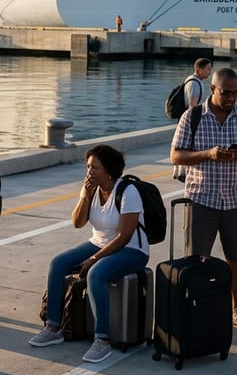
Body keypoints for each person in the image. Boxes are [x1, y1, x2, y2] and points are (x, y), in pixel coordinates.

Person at [27, 145, 149, 363]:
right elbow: (78, 222)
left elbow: (124, 236)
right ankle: (54, 327)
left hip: (131, 249)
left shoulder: (128, 192)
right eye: (88, 167)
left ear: (109, 171)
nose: (89, 172)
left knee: (96, 274)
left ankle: (102, 341)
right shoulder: (92, 189)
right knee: (58, 263)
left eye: (95, 168)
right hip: (99, 242)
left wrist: (94, 259)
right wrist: (85, 195)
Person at [170, 67, 237, 332]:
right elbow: (176, 156)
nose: (232, 98)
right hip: (202, 198)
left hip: (236, 199)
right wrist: (208, 154)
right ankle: (196, 308)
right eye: (226, 93)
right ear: (212, 89)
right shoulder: (193, 117)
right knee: (197, 259)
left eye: (236, 93)